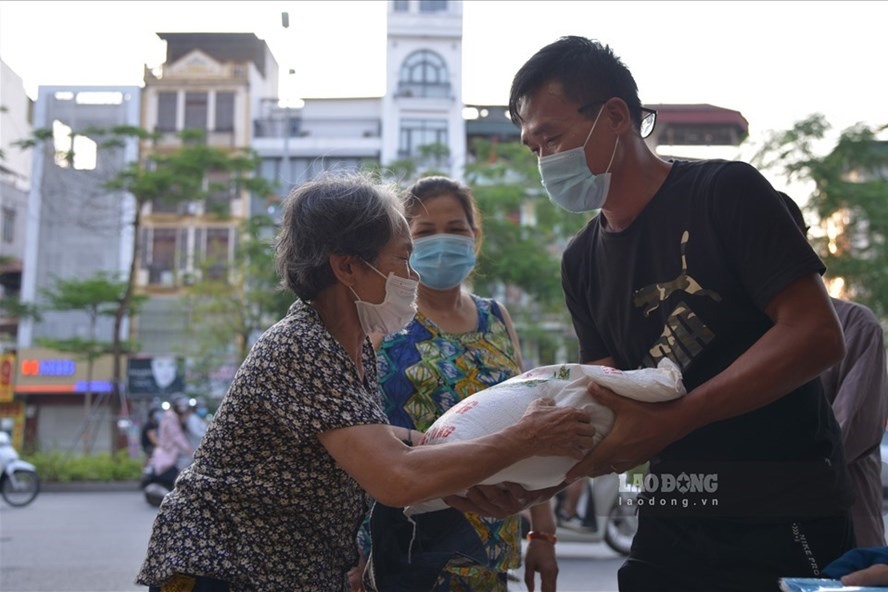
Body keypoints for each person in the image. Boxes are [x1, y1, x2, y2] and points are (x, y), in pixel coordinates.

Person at [135, 171, 595, 592]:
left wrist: (470, 478)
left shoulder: (351, 346)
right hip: (223, 568)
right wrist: (523, 439)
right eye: (403, 257)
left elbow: (374, 440)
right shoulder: (304, 346)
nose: (414, 276)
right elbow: (394, 477)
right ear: (348, 268)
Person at [507, 36, 855, 591]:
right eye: (534, 149)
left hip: (783, 506)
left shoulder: (725, 192)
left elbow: (815, 334)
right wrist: (524, 473)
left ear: (615, 116)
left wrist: (678, 418)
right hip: (673, 505)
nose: (546, 161)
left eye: (552, 138)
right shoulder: (581, 261)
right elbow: (607, 395)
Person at [355, 176, 560, 592]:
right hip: (402, 544)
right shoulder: (380, 320)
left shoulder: (496, 317)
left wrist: (543, 532)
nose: (442, 241)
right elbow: (352, 432)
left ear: (474, 236)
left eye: (455, 228)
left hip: (490, 541)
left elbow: (531, 419)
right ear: (403, 245)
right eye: (425, 232)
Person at [779, 190, 888, 548]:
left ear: (803, 241)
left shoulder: (856, 326)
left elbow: (845, 436)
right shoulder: (733, 332)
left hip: (844, 531)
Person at [144, 395, 194, 491]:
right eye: (180, 406)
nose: (182, 408)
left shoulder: (174, 416)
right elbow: (176, 435)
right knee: (183, 468)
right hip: (169, 450)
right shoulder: (170, 417)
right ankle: (177, 490)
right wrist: (187, 448)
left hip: (171, 449)